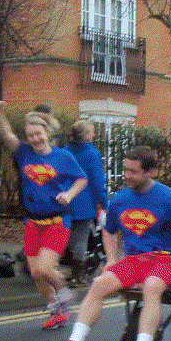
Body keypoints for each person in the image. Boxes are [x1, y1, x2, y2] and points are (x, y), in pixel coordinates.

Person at [55, 146, 171, 341]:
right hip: (134, 260)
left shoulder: (169, 199)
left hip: (166, 259)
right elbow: (109, 231)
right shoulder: (120, 199)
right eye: (125, 170)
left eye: (134, 171)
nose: (127, 175)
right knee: (99, 284)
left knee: (152, 286)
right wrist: (111, 259)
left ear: (150, 172)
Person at [0, 101, 87, 329]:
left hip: (57, 221)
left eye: (38, 134)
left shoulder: (62, 156)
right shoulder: (24, 153)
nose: (35, 139)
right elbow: (7, 135)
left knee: (44, 268)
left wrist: (69, 195)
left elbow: (82, 178)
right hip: (33, 221)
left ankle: (63, 290)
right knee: (35, 273)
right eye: (30, 135)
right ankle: (56, 312)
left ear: (48, 133)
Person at [65, 120, 108, 287]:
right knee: (81, 239)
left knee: (69, 238)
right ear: (85, 134)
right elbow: (97, 181)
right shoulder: (92, 153)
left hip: (66, 199)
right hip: (85, 201)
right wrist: (104, 203)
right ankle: (78, 275)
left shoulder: (66, 151)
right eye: (92, 132)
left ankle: (72, 273)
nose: (94, 135)